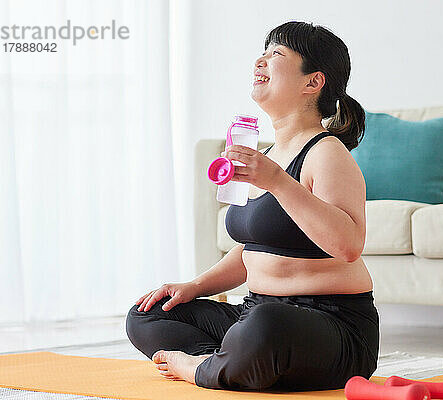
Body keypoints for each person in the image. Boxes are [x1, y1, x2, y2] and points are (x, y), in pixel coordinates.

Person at [126, 20, 378, 392]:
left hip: (331, 324)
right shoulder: (270, 155)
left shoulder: (327, 154)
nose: (260, 61)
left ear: (313, 82)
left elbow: (348, 245)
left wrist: (278, 182)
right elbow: (251, 251)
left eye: (276, 54)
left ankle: (204, 368)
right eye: (262, 52)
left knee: (263, 327)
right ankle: (229, 362)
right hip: (257, 311)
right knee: (147, 314)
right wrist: (193, 287)